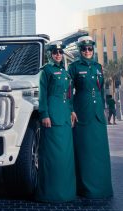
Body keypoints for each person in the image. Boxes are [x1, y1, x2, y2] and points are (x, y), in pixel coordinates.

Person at [69, 36, 113, 199]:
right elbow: (68, 91)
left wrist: (103, 108)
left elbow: (100, 89)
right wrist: (71, 109)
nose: (87, 51)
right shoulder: (74, 67)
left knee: (100, 151)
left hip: (97, 114)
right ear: (80, 51)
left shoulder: (98, 67)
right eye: (84, 49)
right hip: (82, 112)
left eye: (90, 49)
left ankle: (102, 187)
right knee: (85, 150)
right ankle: (85, 188)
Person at [36, 42, 77, 202]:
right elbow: (42, 95)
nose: (58, 54)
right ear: (50, 54)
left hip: (65, 117)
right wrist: (44, 114)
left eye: (60, 52)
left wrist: (72, 110)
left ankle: (66, 192)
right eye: (55, 52)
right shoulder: (46, 71)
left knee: (65, 155)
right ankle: (51, 193)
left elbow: (68, 95)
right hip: (52, 117)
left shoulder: (65, 72)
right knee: (52, 155)